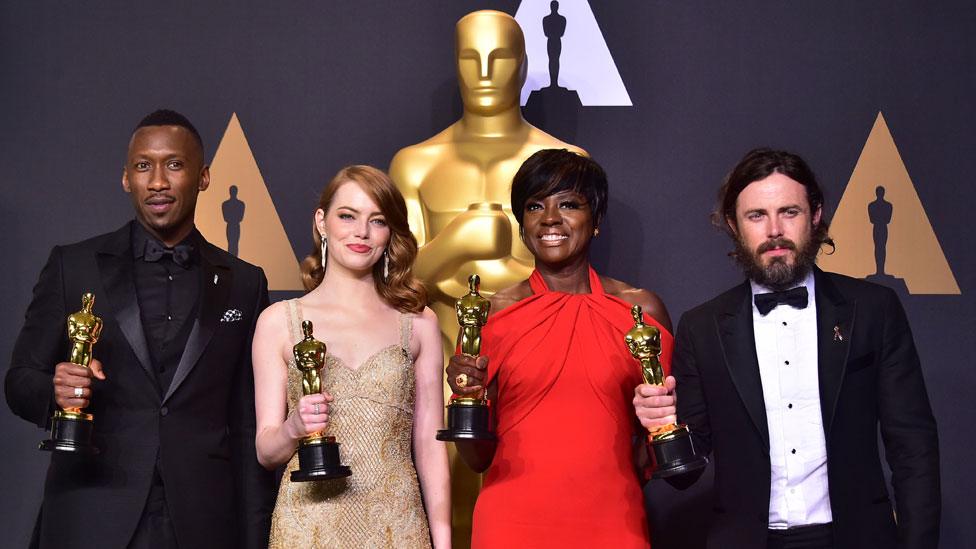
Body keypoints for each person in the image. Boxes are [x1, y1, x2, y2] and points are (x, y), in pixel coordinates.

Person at [634, 148, 940, 549]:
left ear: (815, 215)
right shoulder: (702, 327)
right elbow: (684, 474)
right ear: (733, 225)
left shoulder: (873, 309)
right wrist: (661, 426)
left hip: (857, 537)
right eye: (756, 215)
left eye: (789, 212)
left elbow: (913, 447)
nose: (774, 230)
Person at [4, 109, 275, 548]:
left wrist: (257, 535)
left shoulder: (245, 283)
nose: (158, 182)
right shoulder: (72, 267)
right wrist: (54, 393)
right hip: (91, 510)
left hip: (204, 521)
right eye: (143, 166)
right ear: (126, 178)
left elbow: (247, 426)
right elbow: (19, 382)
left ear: (203, 177)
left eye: (174, 164)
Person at [446, 149, 673, 548]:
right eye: (535, 206)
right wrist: (467, 396)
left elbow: (660, 440)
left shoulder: (640, 312)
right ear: (522, 225)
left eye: (568, 204)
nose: (550, 218)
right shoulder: (491, 314)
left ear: (596, 220)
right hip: (512, 524)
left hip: (612, 522)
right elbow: (476, 458)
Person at [252, 165, 451, 548]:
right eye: (348, 216)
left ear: (390, 232)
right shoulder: (279, 322)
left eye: (377, 221)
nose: (361, 232)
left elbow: (430, 447)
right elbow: (266, 450)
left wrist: (443, 542)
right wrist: (294, 427)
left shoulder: (419, 323)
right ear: (322, 222)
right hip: (308, 526)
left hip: (397, 525)